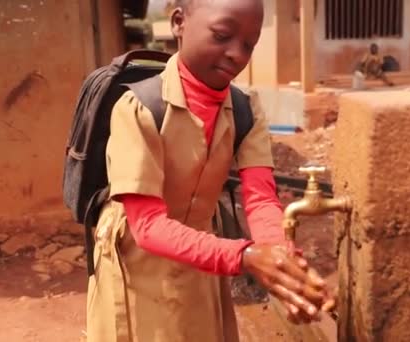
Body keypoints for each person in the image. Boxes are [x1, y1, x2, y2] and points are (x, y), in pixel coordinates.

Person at [86, 0, 335, 341]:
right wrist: (245, 256)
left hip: (202, 254)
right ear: (178, 23)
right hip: (137, 263)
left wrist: (283, 265)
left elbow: (261, 198)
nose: (236, 53)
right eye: (222, 35)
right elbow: (146, 225)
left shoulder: (246, 111)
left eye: (249, 44)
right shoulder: (139, 109)